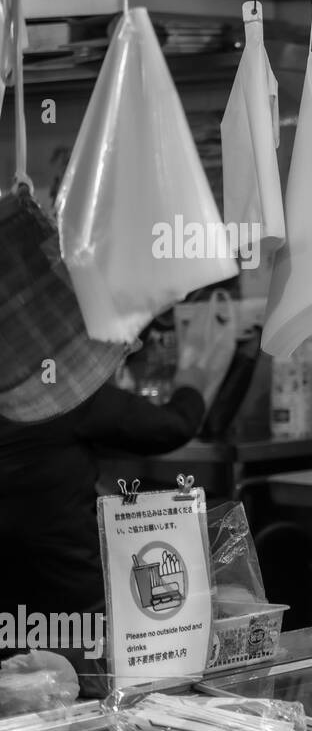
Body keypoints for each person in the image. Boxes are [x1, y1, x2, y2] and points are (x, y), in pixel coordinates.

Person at [0, 189, 234, 690]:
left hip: (13, 606)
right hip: (71, 603)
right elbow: (169, 427)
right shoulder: (57, 386)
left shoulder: (25, 378)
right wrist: (199, 372)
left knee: (21, 698)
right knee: (77, 700)